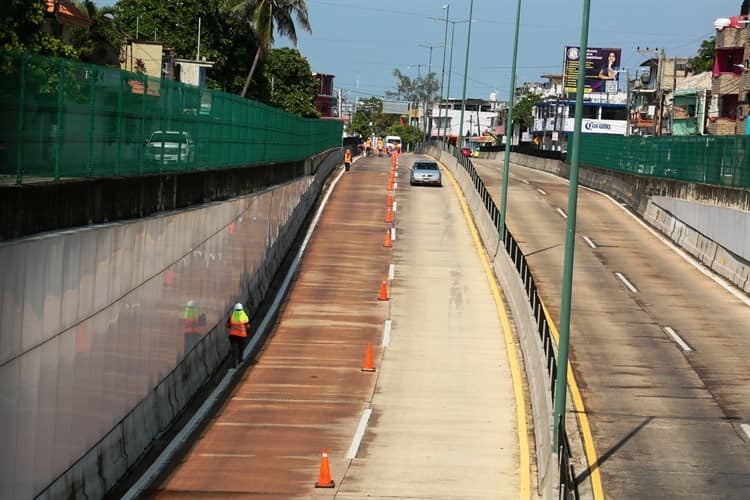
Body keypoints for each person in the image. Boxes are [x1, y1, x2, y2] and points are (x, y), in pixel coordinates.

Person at [226, 302, 249, 367]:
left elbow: (227, 325)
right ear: (242, 309)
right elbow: (248, 326)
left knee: (234, 350)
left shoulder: (231, 316)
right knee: (241, 348)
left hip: (233, 336)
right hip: (242, 336)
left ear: (235, 309)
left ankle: (234, 363)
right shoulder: (245, 316)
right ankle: (240, 359)